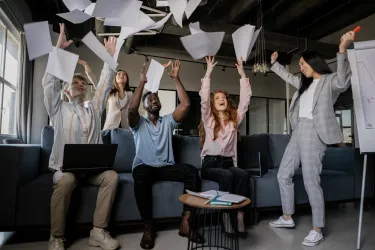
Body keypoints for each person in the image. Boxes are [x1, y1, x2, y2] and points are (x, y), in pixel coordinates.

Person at [268, 31, 355, 246]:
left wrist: (342, 49)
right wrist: (275, 64)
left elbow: (344, 82)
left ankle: (317, 228)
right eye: (299, 63)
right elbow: (289, 77)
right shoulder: (303, 84)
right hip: (298, 131)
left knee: (310, 180)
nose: (301, 66)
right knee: (283, 174)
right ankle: (287, 217)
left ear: (314, 61)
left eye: (303, 62)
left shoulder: (329, 81)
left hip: (314, 133)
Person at [44, 23, 120, 250]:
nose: (80, 84)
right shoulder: (58, 109)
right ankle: (56, 237)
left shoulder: (93, 109)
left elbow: (105, 87)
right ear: (66, 90)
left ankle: (98, 231)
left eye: (82, 82)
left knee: (112, 176)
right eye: (74, 82)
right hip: (66, 171)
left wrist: (109, 57)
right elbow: (49, 83)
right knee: (67, 180)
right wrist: (58, 51)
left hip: (91, 172)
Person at [128, 60, 203, 249]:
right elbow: (131, 109)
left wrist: (176, 78)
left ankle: (186, 223)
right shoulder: (138, 125)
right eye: (150, 99)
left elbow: (186, 104)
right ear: (145, 106)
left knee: (192, 172)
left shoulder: (168, 121)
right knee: (140, 174)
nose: (154, 100)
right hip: (145, 167)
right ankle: (148, 228)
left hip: (166, 167)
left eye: (156, 98)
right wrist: (142, 83)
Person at [198, 56, 252, 237]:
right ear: (213, 104)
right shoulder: (208, 119)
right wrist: (208, 72)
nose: (221, 99)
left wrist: (242, 74)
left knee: (243, 175)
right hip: (210, 164)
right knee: (227, 175)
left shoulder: (234, 120)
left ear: (227, 102)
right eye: (217, 98)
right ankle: (225, 217)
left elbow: (245, 100)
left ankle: (239, 216)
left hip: (229, 163)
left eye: (223, 97)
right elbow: (203, 100)